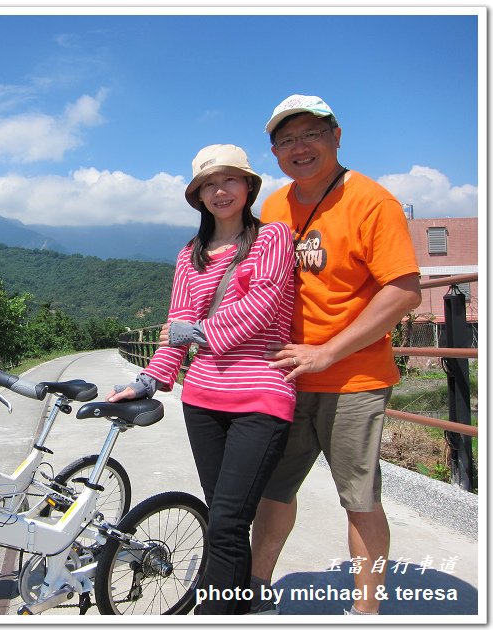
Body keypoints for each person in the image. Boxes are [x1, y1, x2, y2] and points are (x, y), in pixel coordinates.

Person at [249, 95, 422, 615]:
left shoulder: (372, 201)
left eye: (311, 134)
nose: (299, 147)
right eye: (286, 140)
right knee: (273, 491)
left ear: (337, 135)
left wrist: (327, 352)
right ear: (275, 151)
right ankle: (254, 593)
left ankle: (365, 613)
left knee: (359, 498)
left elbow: (405, 290)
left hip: (354, 379)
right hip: (286, 375)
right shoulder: (275, 207)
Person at [107, 144, 296, 615]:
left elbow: (261, 307)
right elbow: (176, 322)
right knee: (221, 516)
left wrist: (197, 332)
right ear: (198, 196)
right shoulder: (189, 255)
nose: (219, 190)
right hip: (204, 397)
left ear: (248, 186)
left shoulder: (272, 238)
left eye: (229, 179)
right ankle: (242, 606)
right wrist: (150, 380)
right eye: (208, 184)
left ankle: (213, 616)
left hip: (261, 394)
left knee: (229, 521)